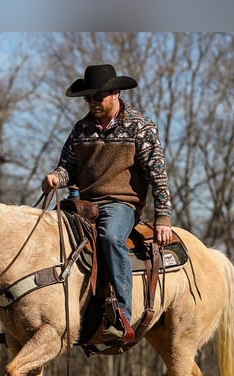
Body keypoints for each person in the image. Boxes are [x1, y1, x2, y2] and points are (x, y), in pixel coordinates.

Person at [42, 64, 172, 343]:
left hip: (121, 204)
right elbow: (67, 167)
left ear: (116, 93)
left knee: (111, 237)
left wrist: (163, 217)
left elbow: (157, 174)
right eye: (88, 98)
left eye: (97, 97)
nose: (92, 103)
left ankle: (122, 314)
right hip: (82, 203)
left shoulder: (140, 127)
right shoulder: (81, 129)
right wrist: (56, 177)